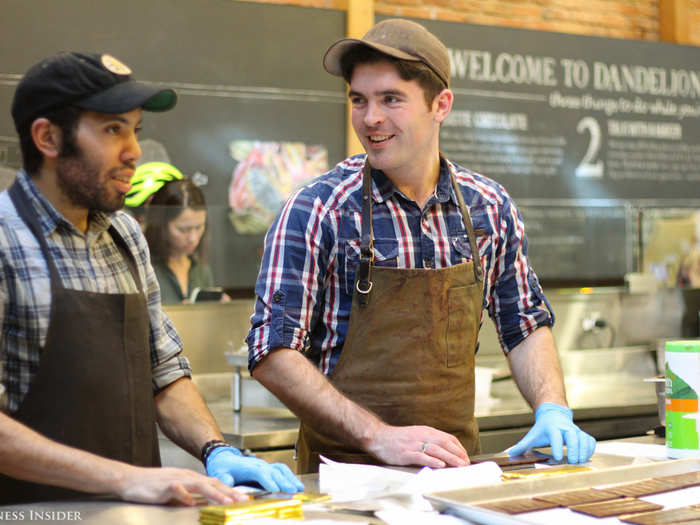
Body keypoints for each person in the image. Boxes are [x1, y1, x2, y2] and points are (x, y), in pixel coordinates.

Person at [247, 19, 596, 474]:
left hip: (454, 471)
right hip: (343, 480)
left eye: (391, 99)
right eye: (359, 100)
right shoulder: (318, 210)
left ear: (441, 105)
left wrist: (553, 408)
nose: (370, 118)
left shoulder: (488, 207)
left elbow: (524, 324)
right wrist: (379, 437)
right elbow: (272, 352)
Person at [0, 51, 303, 505]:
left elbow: (163, 372)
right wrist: (125, 479)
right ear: (48, 137)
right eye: (112, 130)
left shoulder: (123, 235)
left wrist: (215, 449)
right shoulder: (5, 240)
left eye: (135, 130)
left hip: (131, 514)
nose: (134, 151)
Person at [128, 163, 219, 304]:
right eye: (183, 230)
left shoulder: (201, 269)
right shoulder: (141, 268)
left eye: (199, 227)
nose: (193, 238)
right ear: (161, 225)